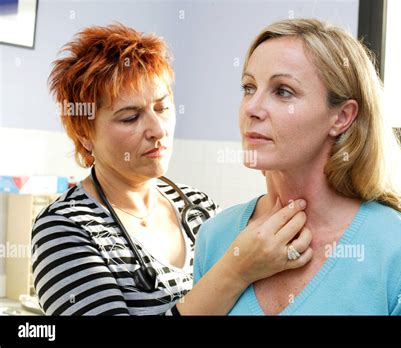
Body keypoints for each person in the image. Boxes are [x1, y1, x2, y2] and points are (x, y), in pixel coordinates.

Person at [31, 23, 314, 316]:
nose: (157, 129)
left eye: (163, 108)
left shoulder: (200, 209)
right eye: (130, 118)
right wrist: (236, 271)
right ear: (85, 136)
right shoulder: (63, 230)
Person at [193, 18, 401, 315]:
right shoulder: (215, 237)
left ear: (341, 117)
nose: (251, 108)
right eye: (249, 87)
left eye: (283, 91)